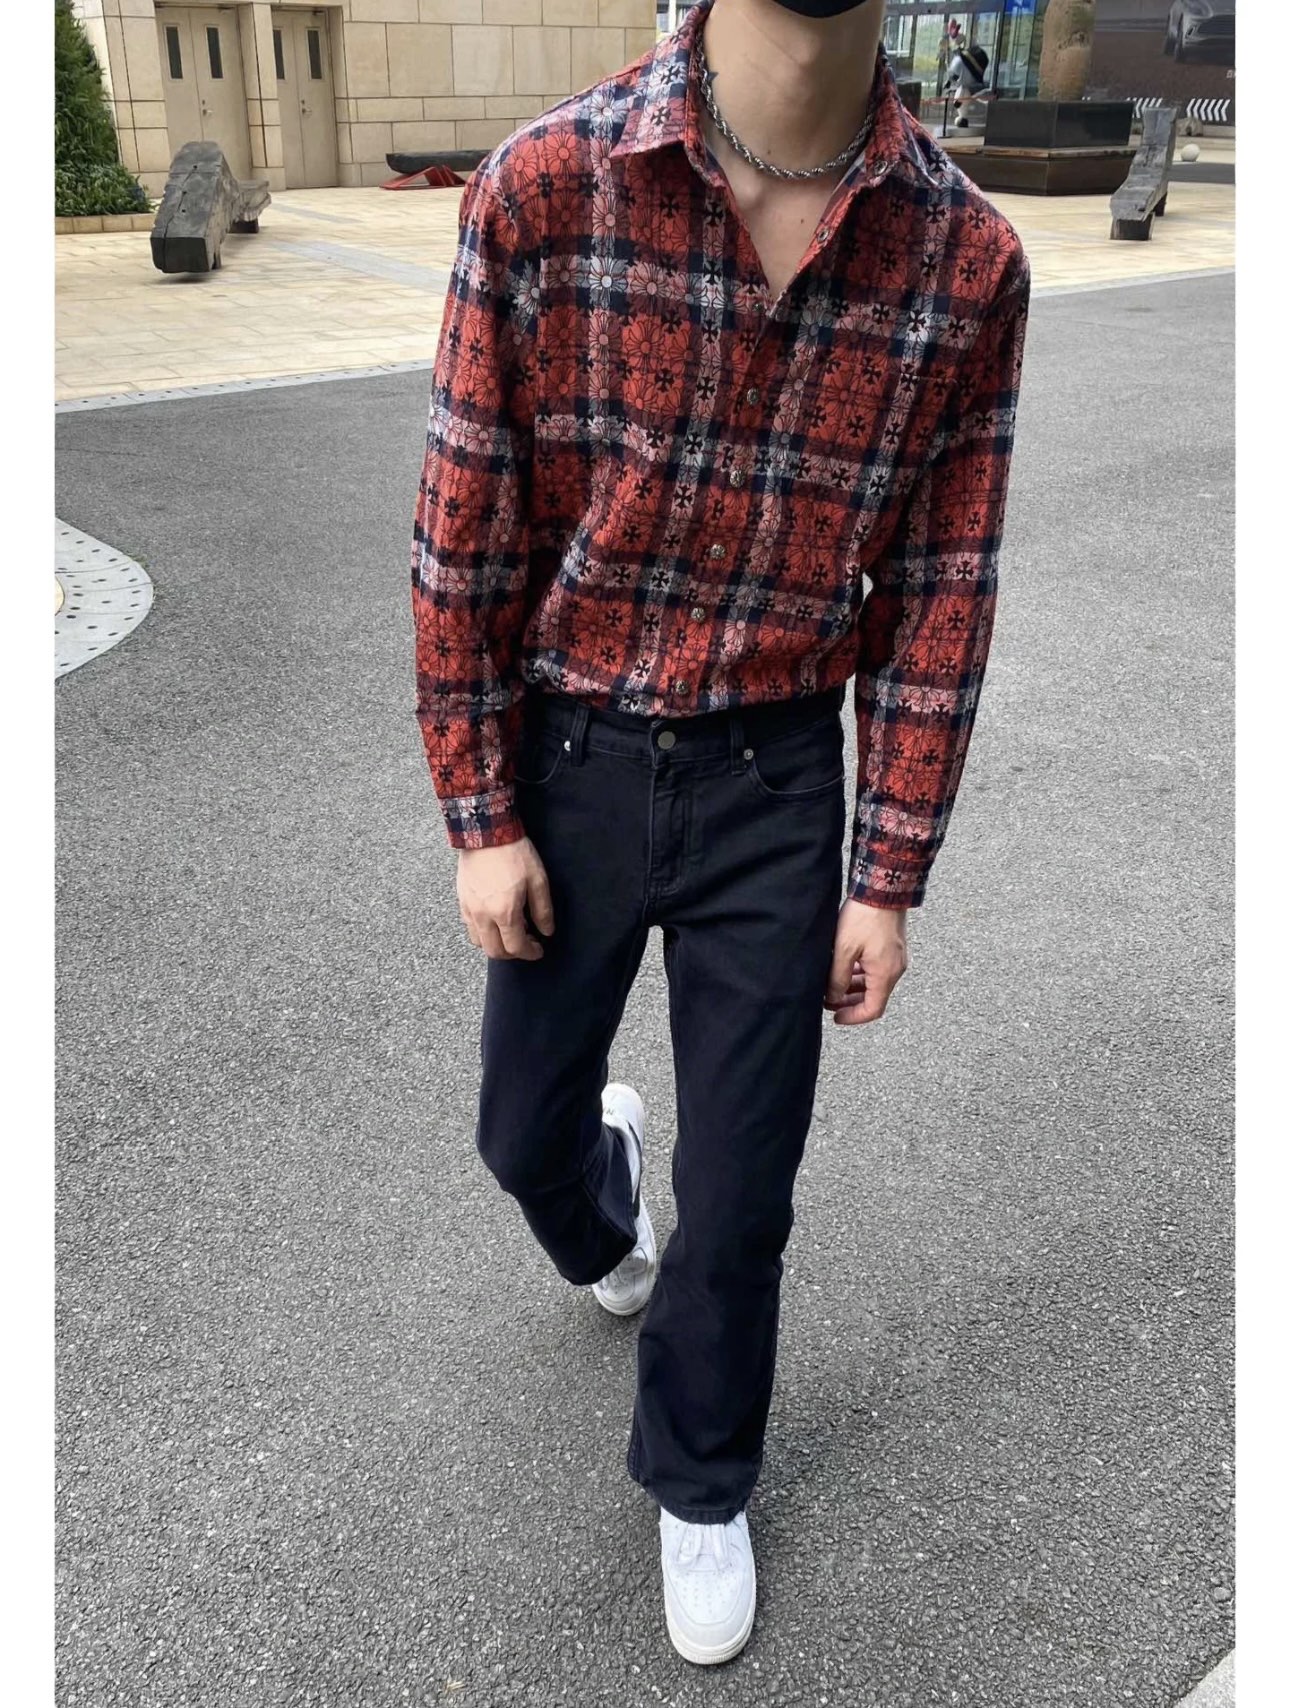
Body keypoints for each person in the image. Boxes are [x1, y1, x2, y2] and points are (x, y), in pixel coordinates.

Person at [410, 0, 1029, 1667]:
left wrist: (886, 870)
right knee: (520, 1138)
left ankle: (699, 1475)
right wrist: (480, 808)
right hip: (574, 752)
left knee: (744, 1190)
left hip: (774, 776)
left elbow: (941, 589)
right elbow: (465, 522)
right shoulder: (549, 187)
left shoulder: (964, 260)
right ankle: (599, 1196)